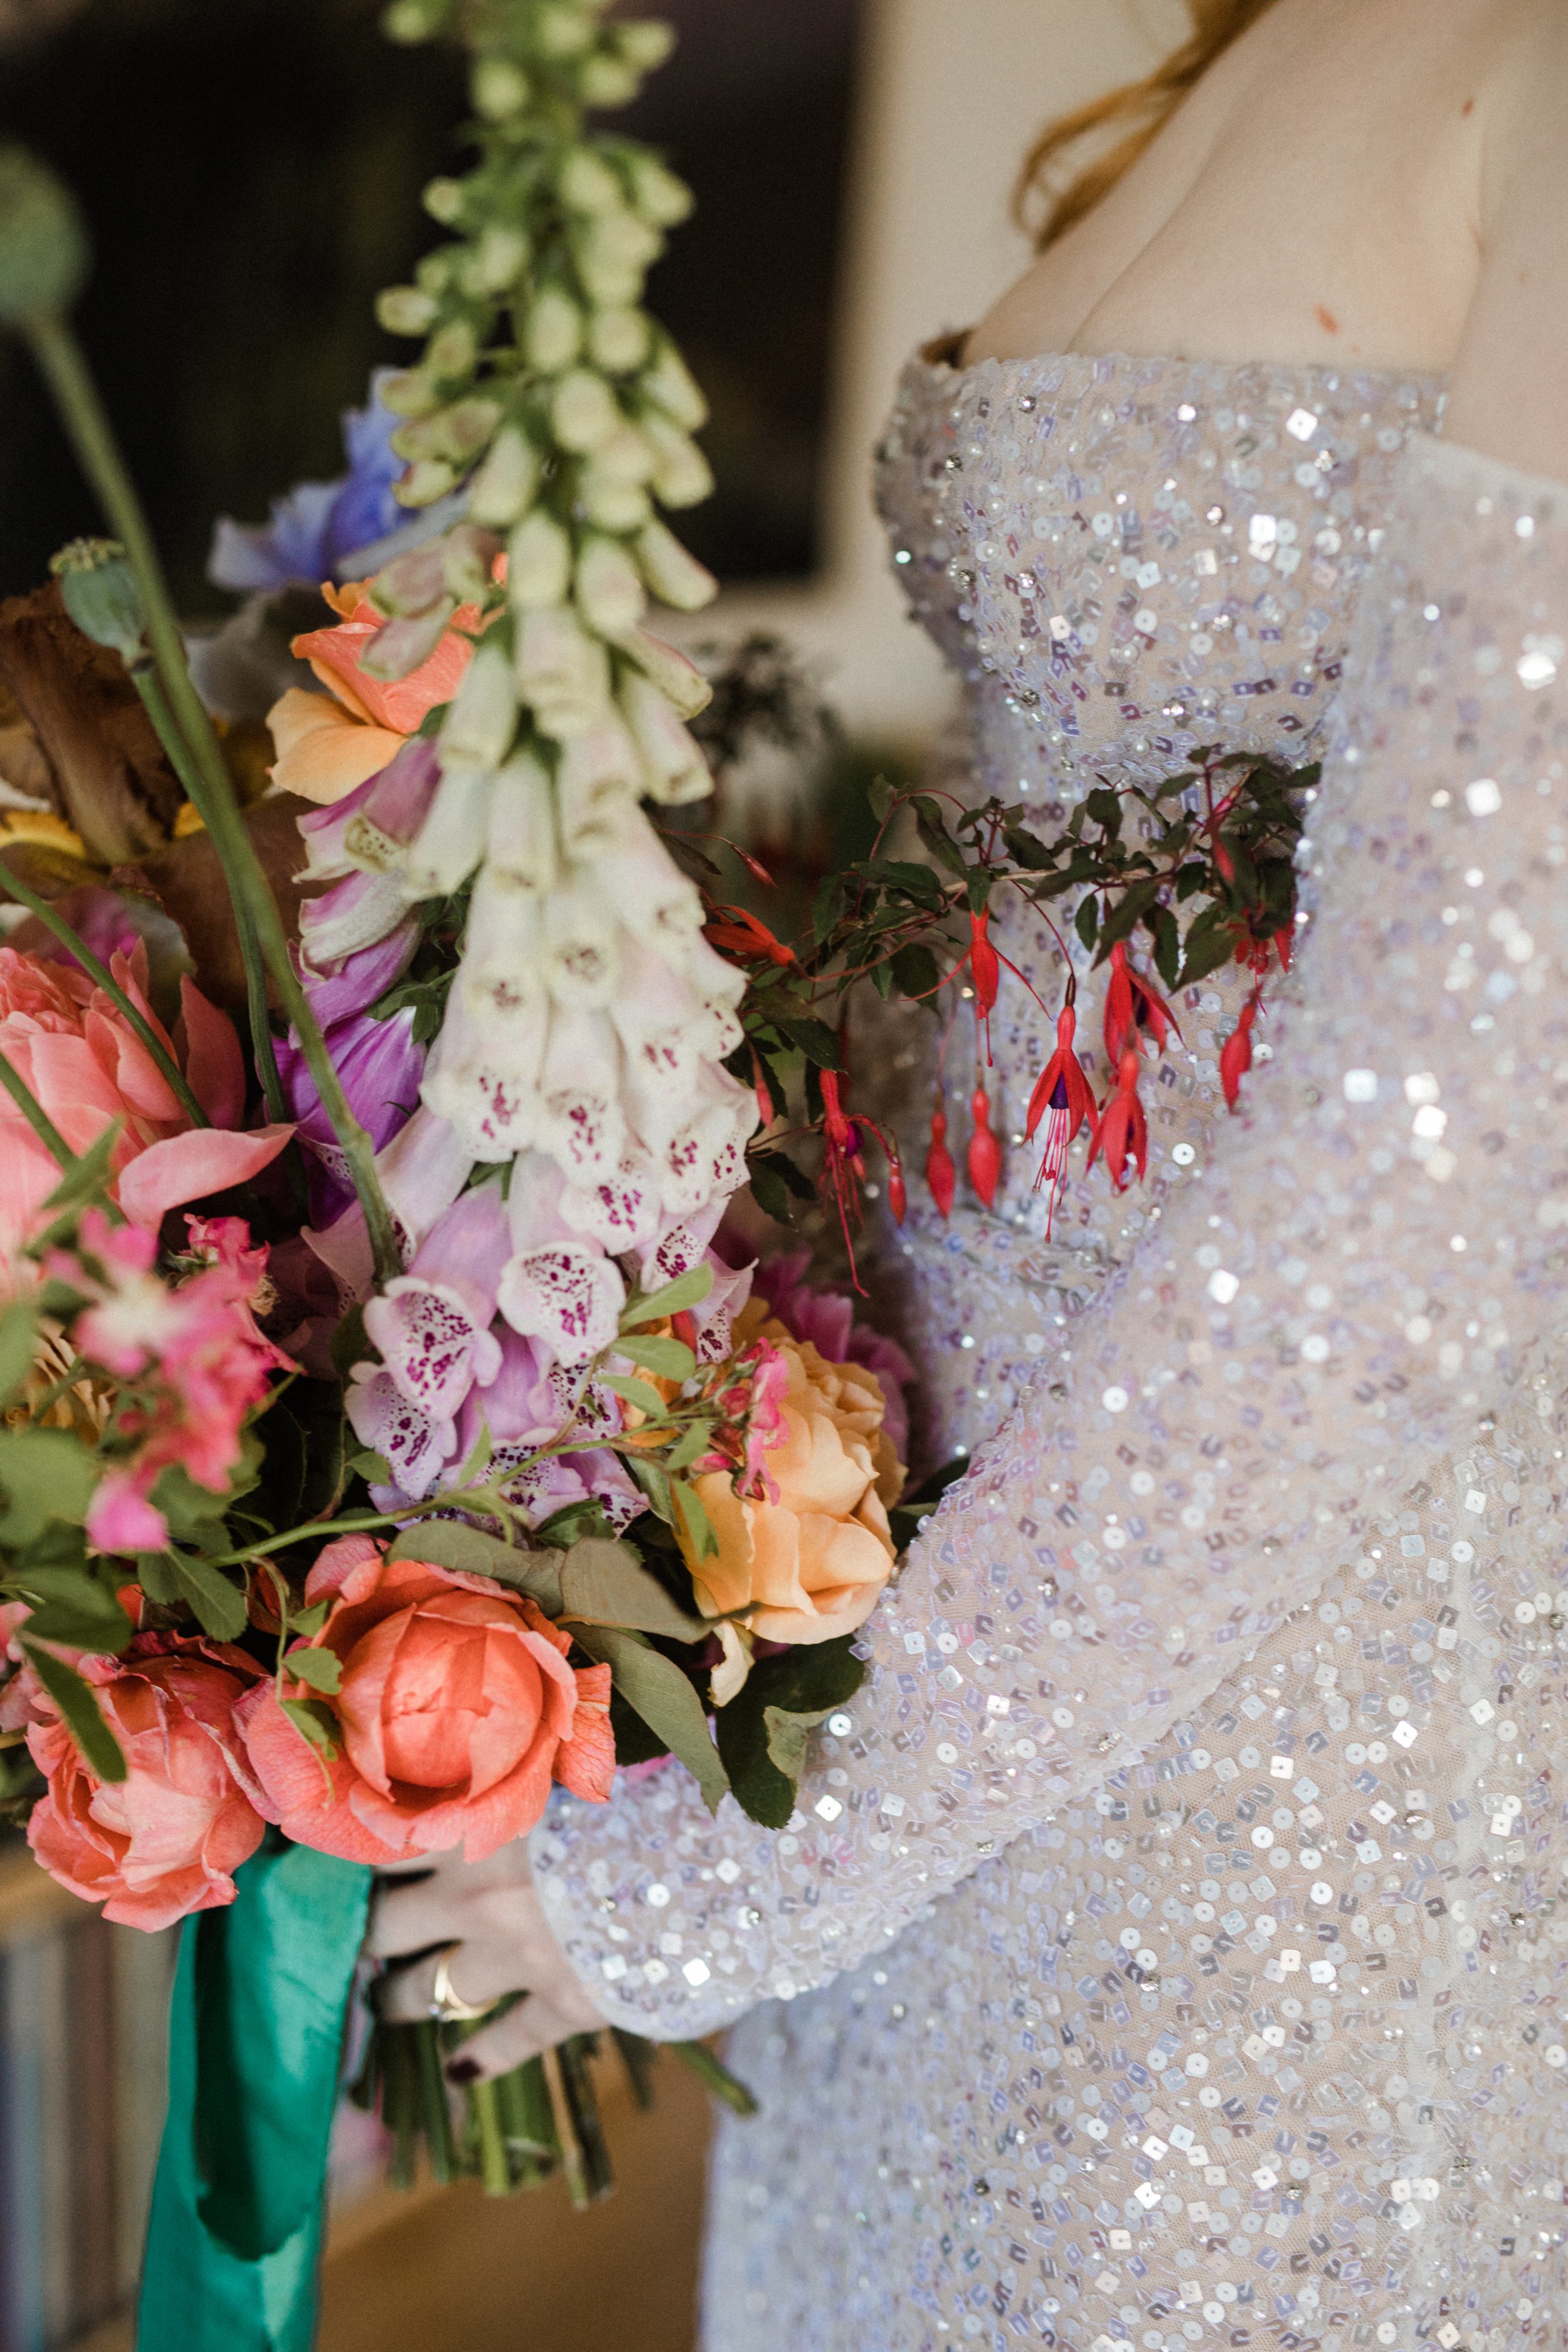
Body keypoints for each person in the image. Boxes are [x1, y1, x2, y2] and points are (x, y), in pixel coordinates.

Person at [369, 3, 1568, 2344]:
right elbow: (1007, 919)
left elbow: (1427, 1178)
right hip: (909, 1611)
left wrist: (751, 1857)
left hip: (1256, 1740)